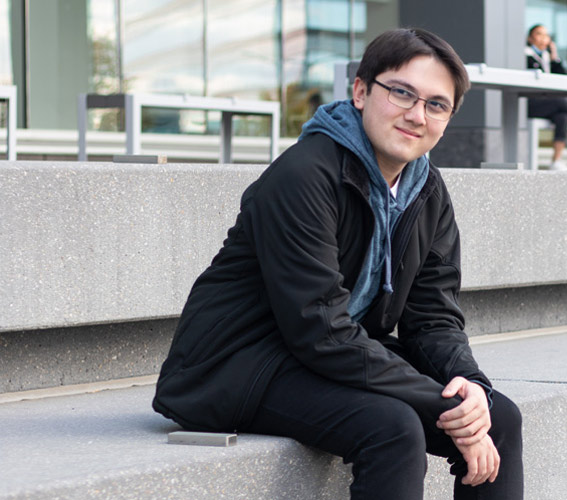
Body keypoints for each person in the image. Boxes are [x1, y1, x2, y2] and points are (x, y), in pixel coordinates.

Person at [152, 28, 523, 500]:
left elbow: (433, 319)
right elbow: (319, 328)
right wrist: (442, 403)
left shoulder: (426, 192)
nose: (416, 115)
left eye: (435, 104)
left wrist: (471, 389)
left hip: (328, 357)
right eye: (402, 93)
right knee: (393, 427)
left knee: (499, 417)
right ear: (361, 91)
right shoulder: (302, 176)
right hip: (240, 365)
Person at [526, 24, 567, 171]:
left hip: (548, 104)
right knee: (564, 103)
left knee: (563, 116)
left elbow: (565, 78)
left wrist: (555, 58)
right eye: (539, 34)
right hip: (529, 103)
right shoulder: (526, 55)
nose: (543, 39)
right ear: (530, 38)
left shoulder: (547, 58)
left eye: (546, 36)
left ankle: (556, 161)